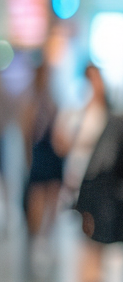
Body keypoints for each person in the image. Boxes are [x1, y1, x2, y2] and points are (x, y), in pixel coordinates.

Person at [55, 63, 111, 282]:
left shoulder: (107, 113)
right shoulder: (78, 111)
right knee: (85, 238)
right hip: (79, 179)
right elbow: (62, 144)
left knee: (94, 237)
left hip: (98, 180)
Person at [20, 59, 64, 254]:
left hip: (52, 153)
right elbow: (27, 133)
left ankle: (47, 234)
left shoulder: (52, 100)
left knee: (53, 194)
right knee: (37, 194)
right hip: (39, 152)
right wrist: (27, 157)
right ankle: (37, 236)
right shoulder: (33, 102)